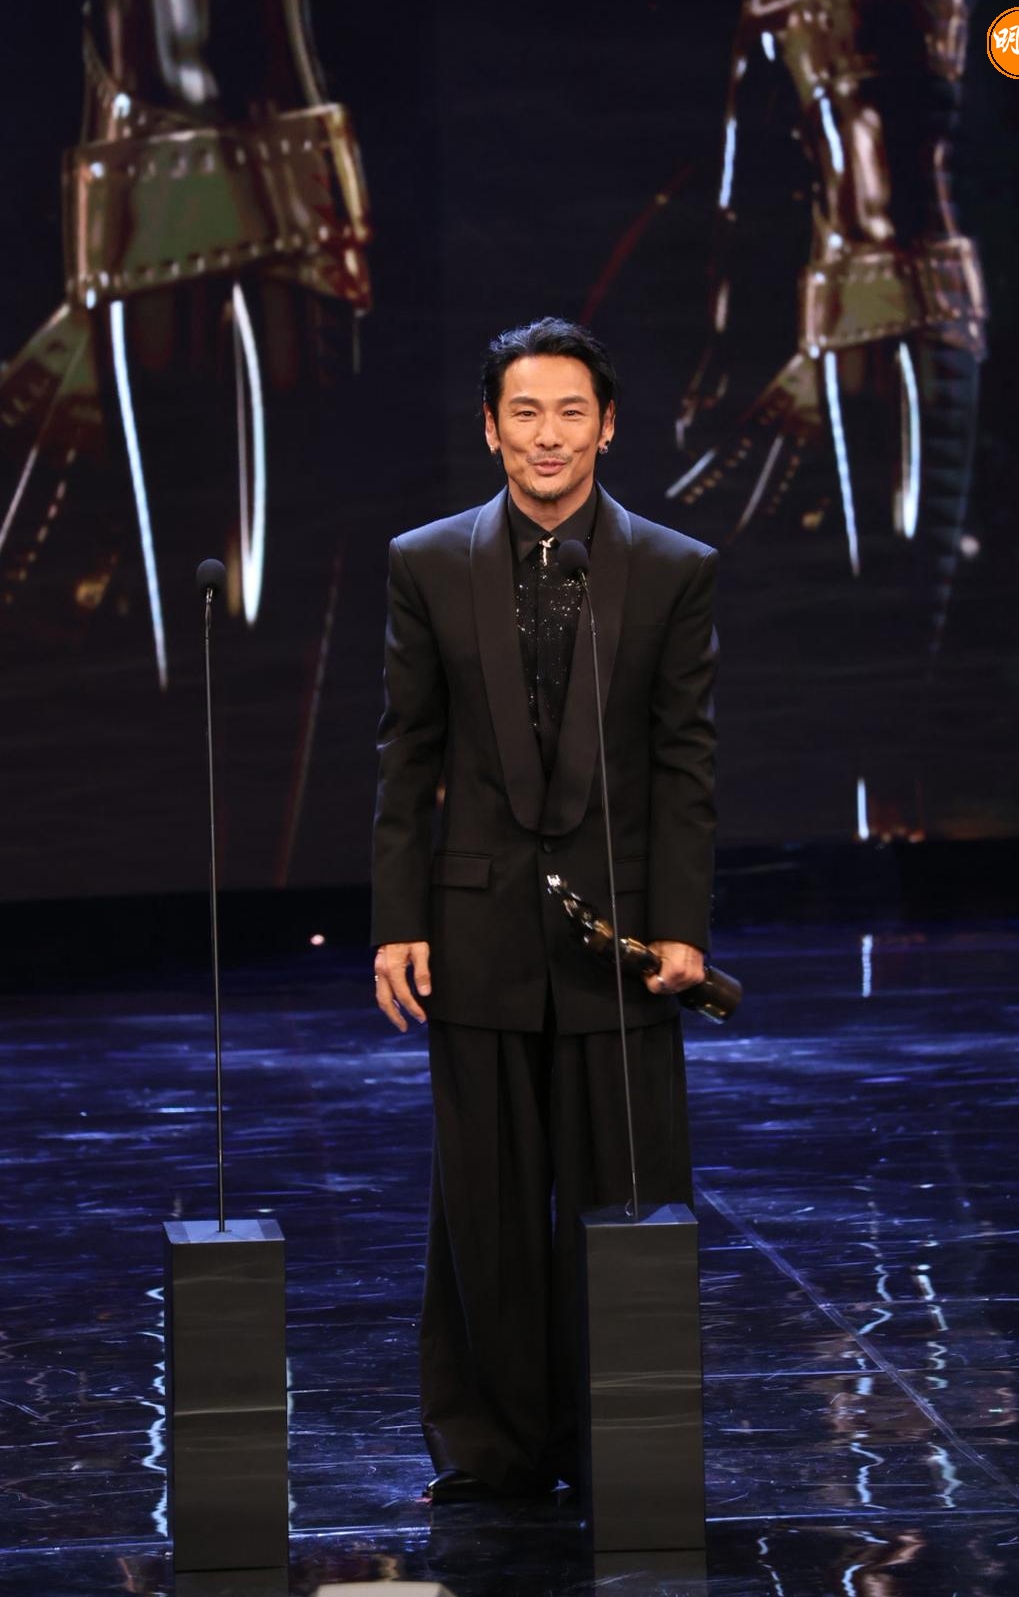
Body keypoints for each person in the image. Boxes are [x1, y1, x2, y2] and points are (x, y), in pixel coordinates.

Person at [371, 318, 718, 1503]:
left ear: (607, 426)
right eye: (525, 412)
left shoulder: (672, 567)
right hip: (473, 930)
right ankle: (490, 1443)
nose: (548, 435)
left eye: (571, 411)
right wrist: (397, 918)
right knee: (484, 1204)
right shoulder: (427, 563)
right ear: (490, 427)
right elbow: (405, 754)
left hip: (621, 940)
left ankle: (620, 1434)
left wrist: (682, 923)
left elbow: (684, 761)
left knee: (627, 1197)